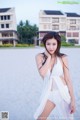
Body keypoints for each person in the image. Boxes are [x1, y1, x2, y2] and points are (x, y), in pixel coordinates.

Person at [34, 32, 76, 120]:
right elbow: (43, 73)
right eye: (48, 44)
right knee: (40, 118)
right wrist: (49, 57)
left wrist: (73, 100)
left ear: (58, 44)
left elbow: (68, 79)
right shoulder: (39, 57)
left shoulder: (63, 57)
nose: (51, 47)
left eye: (54, 44)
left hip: (62, 93)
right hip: (49, 93)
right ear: (45, 44)